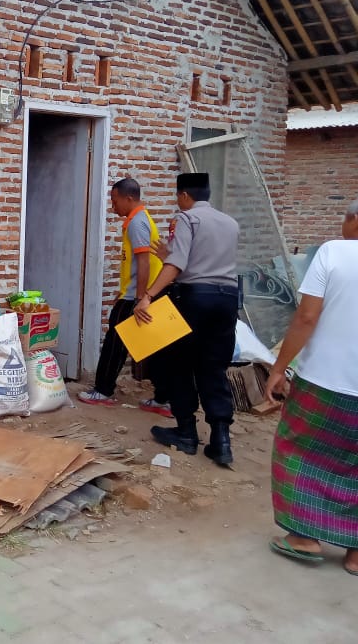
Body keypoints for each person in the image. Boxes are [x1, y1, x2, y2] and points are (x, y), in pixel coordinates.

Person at [265, 198, 358, 574]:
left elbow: (306, 316)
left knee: (298, 449)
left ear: (354, 220)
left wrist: (278, 368)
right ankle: (355, 554)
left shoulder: (333, 253)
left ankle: (304, 536)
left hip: (323, 380)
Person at [134, 172, 239, 467]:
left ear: (183, 196)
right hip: (228, 300)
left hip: (195, 299)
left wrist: (148, 296)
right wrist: (172, 253)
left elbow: (177, 265)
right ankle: (221, 440)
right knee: (214, 367)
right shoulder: (230, 223)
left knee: (179, 364)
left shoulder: (185, 219)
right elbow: (206, 260)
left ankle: (186, 433)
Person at [78, 177, 170, 416]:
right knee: (153, 345)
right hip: (138, 294)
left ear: (129, 198)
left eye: (115, 200)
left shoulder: (137, 223)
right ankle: (164, 398)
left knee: (114, 344)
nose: (112, 205)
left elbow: (143, 263)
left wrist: (140, 298)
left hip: (136, 298)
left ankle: (103, 391)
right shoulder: (140, 219)